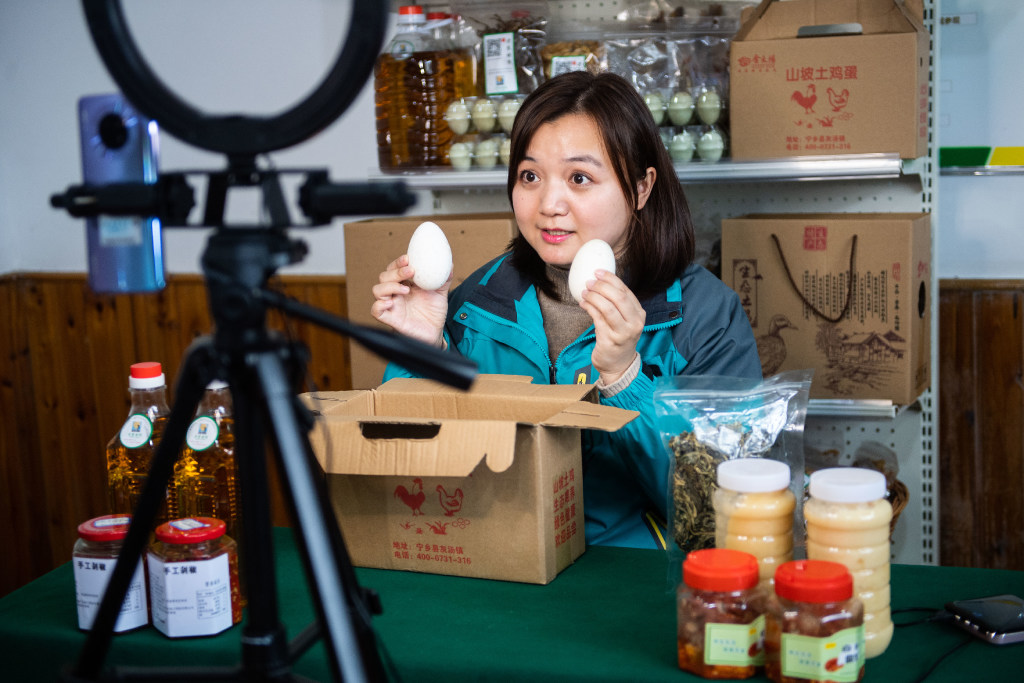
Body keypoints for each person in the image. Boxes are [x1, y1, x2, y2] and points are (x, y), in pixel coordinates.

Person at [371, 71, 762, 549]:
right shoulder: (473, 306)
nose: (549, 204)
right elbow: (407, 480)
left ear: (641, 188)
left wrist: (623, 377)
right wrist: (422, 350)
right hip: (502, 572)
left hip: (632, 589)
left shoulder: (706, 318)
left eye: (580, 178)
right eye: (530, 176)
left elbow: (717, 518)